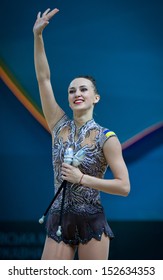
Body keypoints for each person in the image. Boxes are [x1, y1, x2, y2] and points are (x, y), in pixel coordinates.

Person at [33, 8, 130, 260]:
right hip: (58, 216)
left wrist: (82, 178)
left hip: (91, 220)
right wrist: (38, 37)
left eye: (83, 89)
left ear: (95, 97)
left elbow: (124, 186)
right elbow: (44, 79)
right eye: (72, 90)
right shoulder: (57, 125)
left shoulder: (106, 137)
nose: (77, 93)